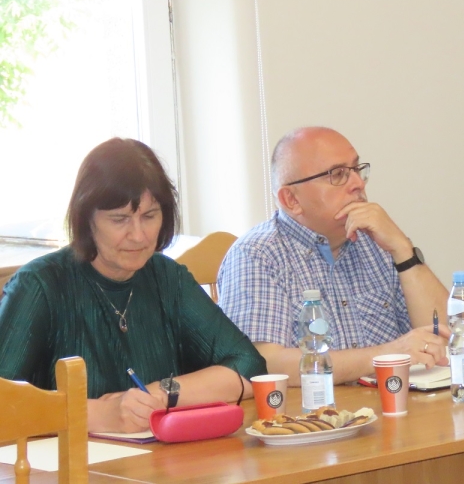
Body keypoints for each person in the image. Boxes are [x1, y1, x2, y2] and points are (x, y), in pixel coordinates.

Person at [0, 138, 267, 433]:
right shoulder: (39, 285)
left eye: (149, 216)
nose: (139, 235)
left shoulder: (168, 278)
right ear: (86, 219)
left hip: (161, 458)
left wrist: (158, 394)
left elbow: (250, 365)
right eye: (120, 220)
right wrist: (97, 414)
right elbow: (3, 401)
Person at [218, 126, 450, 386]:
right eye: (338, 174)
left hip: (394, 401)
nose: (358, 183)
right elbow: (262, 363)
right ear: (291, 199)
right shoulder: (257, 255)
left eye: (357, 169)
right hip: (315, 409)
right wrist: (385, 355)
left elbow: (448, 339)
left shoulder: (377, 239)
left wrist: (402, 250)